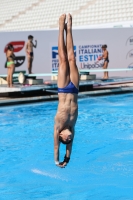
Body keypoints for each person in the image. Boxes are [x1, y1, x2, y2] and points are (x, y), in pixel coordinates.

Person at [54, 14, 79, 168]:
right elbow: (69, 148)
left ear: (60, 136)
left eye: (66, 139)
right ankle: (69, 28)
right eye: (70, 140)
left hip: (63, 89)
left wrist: (58, 162)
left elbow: (57, 147)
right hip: (75, 89)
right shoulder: (73, 127)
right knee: (72, 59)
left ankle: (60, 27)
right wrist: (67, 159)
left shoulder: (58, 125)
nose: (69, 139)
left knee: (63, 59)